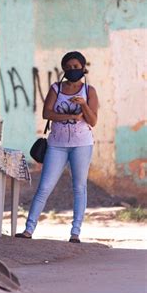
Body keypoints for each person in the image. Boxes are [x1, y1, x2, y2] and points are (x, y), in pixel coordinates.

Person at [16, 51, 99, 243]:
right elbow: (47, 113)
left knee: (79, 187)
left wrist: (83, 105)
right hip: (57, 144)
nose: (72, 71)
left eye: (76, 67)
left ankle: (75, 233)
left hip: (81, 144)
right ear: (63, 69)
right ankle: (29, 229)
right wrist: (70, 117)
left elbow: (93, 120)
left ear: (83, 68)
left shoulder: (89, 91)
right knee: (44, 187)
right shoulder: (56, 89)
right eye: (68, 68)